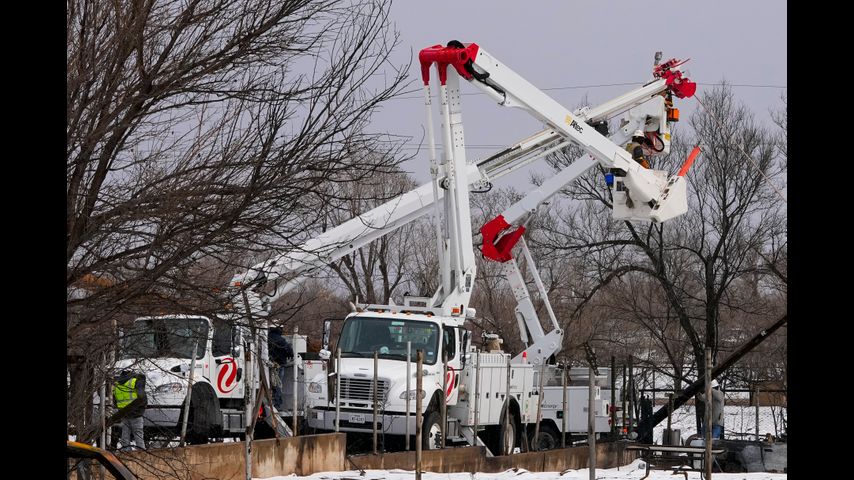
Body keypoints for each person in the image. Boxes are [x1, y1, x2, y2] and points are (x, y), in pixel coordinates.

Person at [113, 369, 147, 450]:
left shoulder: (117, 385)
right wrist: (141, 409)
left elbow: (115, 400)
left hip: (124, 414)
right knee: (139, 437)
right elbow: (142, 398)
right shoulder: (135, 382)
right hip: (136, 414)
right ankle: (142, 454)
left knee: (125, 437)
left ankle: (126, 453)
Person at [268, 327, 293, 409]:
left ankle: (270, 400)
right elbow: (289, 351)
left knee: (270, 383)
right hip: (279, 364)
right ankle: (277, 403)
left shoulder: (266, 338)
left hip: (268, 364)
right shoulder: (281, 340)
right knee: (278, 383)